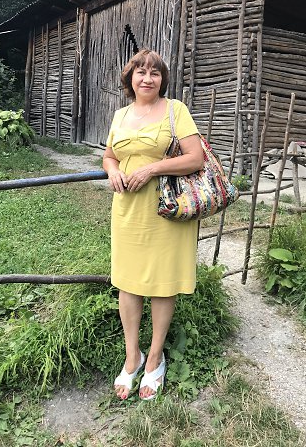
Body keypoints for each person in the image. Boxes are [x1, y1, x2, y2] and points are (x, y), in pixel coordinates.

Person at [103, 49, 204, 400]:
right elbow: (109, 155)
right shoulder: (120, 114)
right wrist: (113, 170)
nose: (148, 78)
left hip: (166, 210)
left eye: (155, 73)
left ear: (163, 79)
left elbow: (196, 158)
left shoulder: (176, 110)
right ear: (130, 78)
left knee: (162, 285)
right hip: (128, 210)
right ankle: (132, 356)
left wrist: (151, 168)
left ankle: (156, 358)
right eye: (141, 72)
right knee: (127, 283)